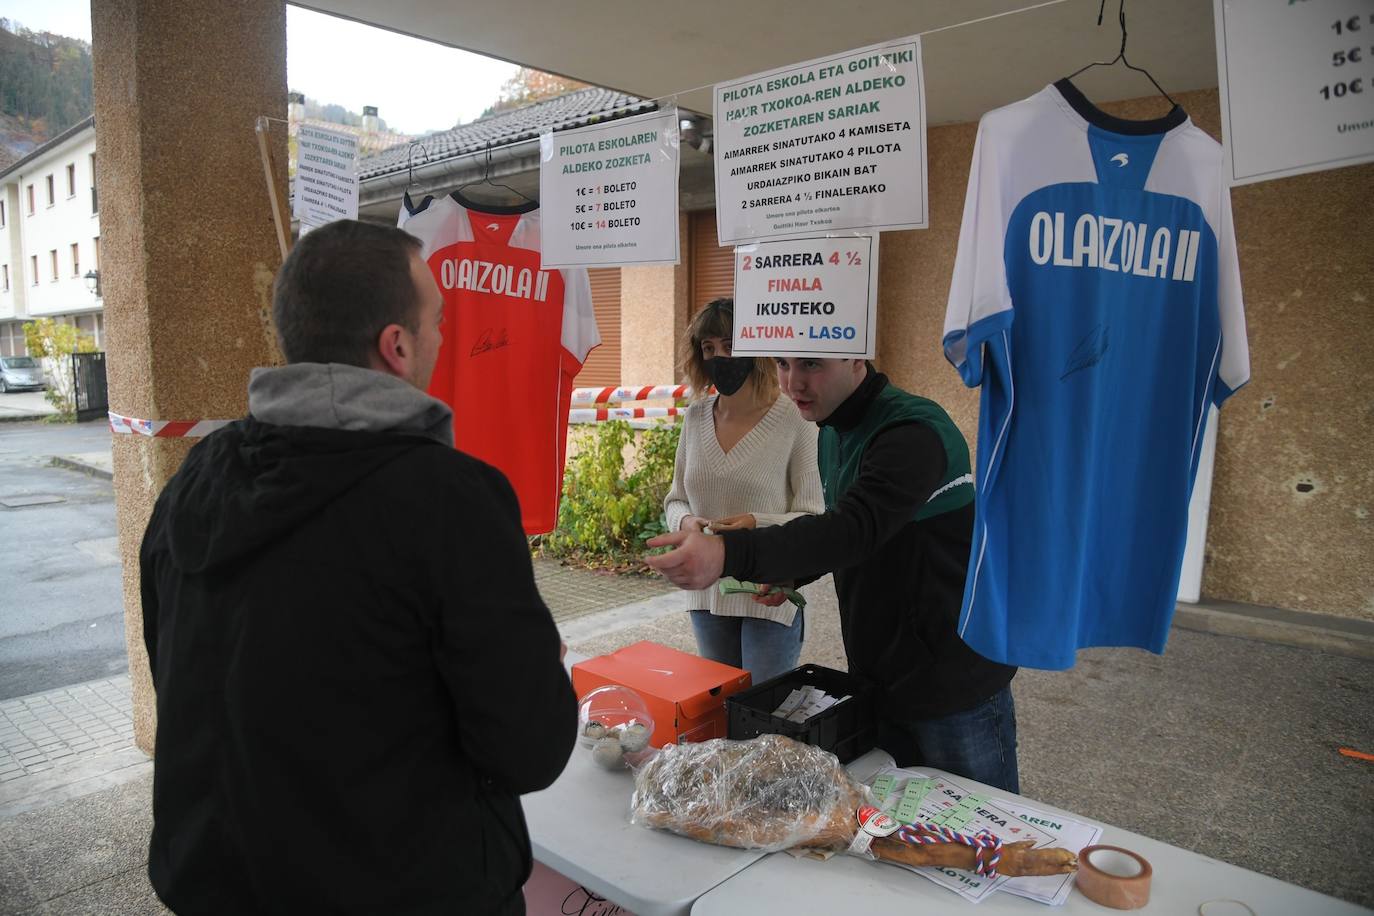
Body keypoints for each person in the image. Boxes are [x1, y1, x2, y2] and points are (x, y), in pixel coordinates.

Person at [139, 219, 575, 915]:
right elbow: (528, 749)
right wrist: (537, 665)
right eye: (436, 320)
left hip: (217, 880)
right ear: (396, 346)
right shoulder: (452, 498)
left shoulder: (196, 478)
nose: (442, 337)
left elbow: (182, 673)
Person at [646, 357, 1020, 792]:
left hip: (956, 685)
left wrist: (728, 553)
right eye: (783, 364)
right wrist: (792, 576)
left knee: (983, 837)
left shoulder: (913, 432)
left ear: (856, 356)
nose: (792, 383)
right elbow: (847, 533)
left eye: (811, 365)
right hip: (882, 677)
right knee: (899, 832)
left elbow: (854, 529)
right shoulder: (834, 430)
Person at [664, 299, 824, 682]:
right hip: (706, 595)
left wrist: (756, 522)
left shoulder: (795, 419)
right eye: (709, 348)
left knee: (762, 719)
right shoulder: (696, 416)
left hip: (767, 594)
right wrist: (686, 522)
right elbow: (675, 499)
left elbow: (814, 517)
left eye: (729, 345)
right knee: (718, 712)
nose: (720, 356)